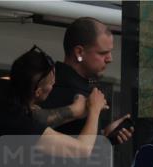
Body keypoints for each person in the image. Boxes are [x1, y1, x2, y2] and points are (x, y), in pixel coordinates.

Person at [38, 17, 132, 145]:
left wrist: (104, 136)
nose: (110, 59)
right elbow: (70, 150)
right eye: (103, 53)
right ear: (79, 52)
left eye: (110, 52)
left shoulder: (86, 85)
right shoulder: (56, 88)